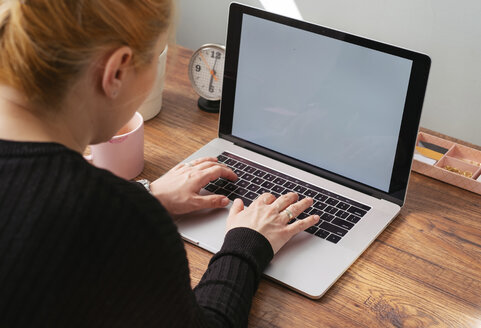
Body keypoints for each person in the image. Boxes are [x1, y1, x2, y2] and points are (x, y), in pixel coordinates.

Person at [0, 1, 320, 327]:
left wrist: (146, 195)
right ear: (117, 70)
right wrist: (247, 243)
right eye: (156, 57)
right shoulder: (122, 219)